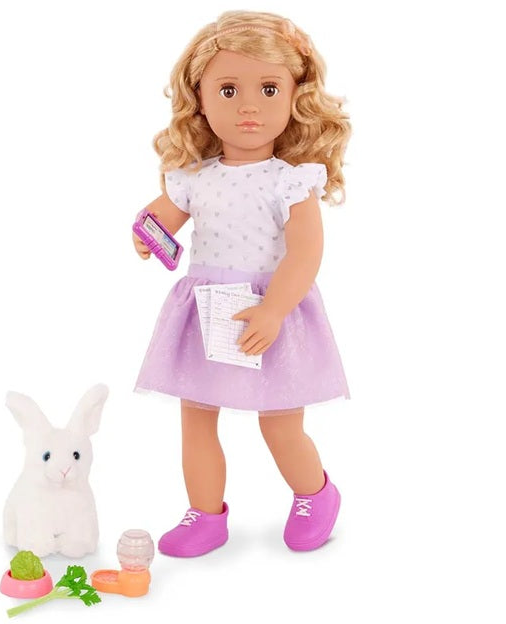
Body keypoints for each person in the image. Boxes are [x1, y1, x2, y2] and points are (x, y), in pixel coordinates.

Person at [132, 10, 351, 556]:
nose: (248, 106)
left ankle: (315, 493)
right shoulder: (194, 177)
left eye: (268, 89)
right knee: (197, 420)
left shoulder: (291, 181)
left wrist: (274, 309)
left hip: (270, 310)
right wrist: (147, 232)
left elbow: (306, 251)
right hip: (206, 311)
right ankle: (205, 515)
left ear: (295, 95)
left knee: (279, 423)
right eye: (228, 90)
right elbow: (160, 216)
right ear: (200, 99)